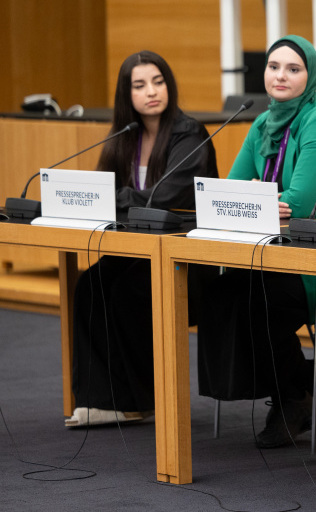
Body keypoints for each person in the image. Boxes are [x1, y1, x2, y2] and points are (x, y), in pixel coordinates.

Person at [196, 35, 316, 449]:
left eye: (293, 69)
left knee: (256, 299)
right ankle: (298, 386)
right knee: (222, 292)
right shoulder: (262, 123)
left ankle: (295, 392)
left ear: (309, 76)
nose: (281, 76)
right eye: (274, 66)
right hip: (277, 255)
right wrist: (256, 202)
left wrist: (260, 202)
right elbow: (230, 193)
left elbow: (299, 201)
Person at [67, 51, 218, 426]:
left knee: (126, 292)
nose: (152, 91)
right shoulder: (126, 136)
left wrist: (117, 200)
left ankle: (139, 398)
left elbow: (164, 201)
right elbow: (104, 196)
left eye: (158, 81)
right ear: (126, 94)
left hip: (188, 261)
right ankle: (102, 397)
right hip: (141, 253)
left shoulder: (189, 133)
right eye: (140, 85)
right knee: (90, 284)